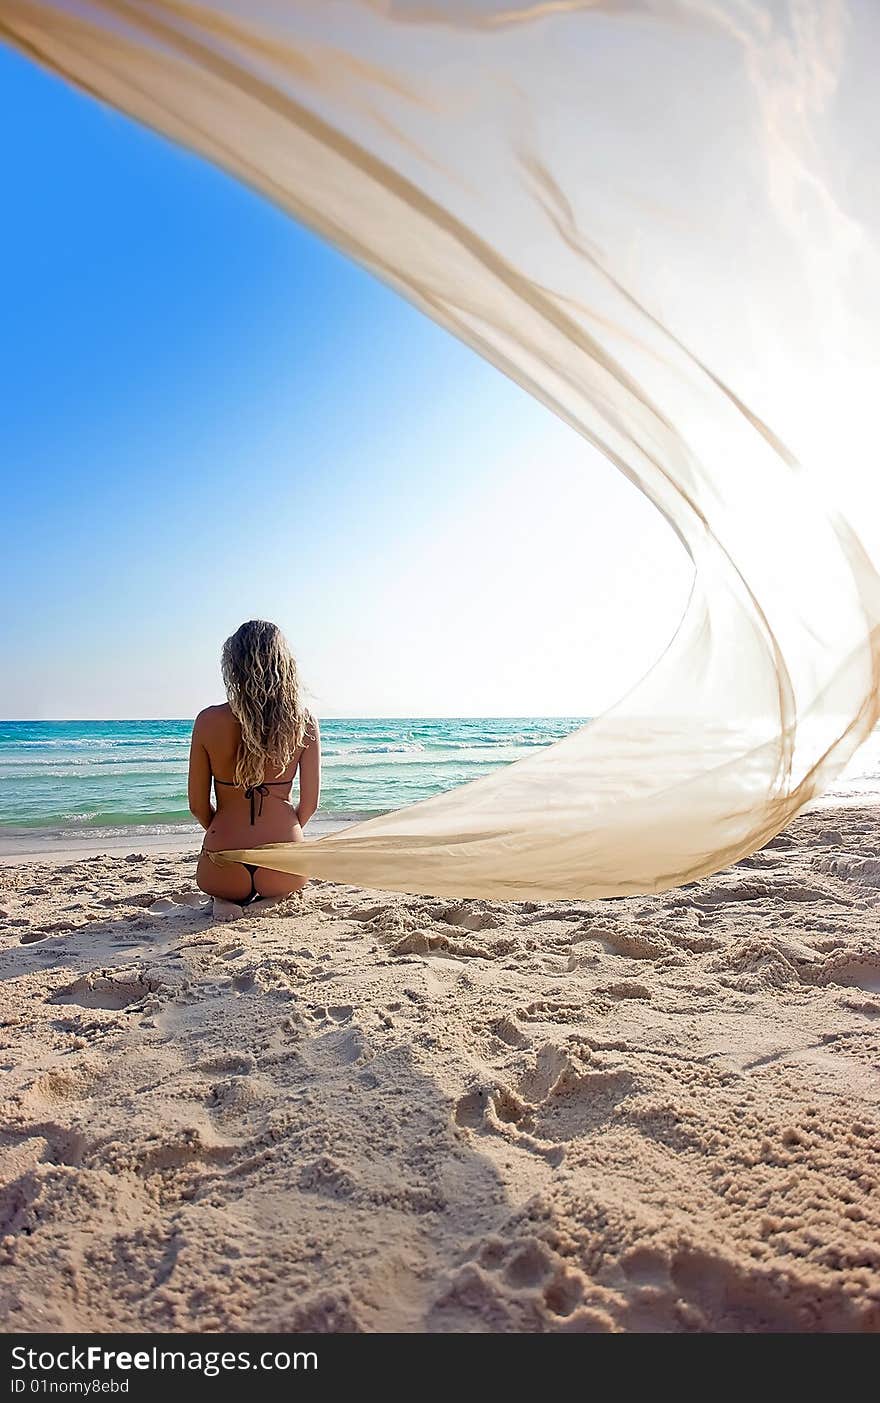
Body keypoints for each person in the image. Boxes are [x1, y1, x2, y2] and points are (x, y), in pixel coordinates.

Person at [188, 620, 320, 918]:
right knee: (286, 885)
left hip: (222, 866)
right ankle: (271, 899)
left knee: (221, 889)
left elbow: (197, 806)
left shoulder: (207, 721)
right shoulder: (303, 722)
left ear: (232, 666)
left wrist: (226, 832)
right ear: (285, 666)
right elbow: (309, 806)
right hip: (283, 867)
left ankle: (224, 900)